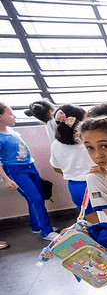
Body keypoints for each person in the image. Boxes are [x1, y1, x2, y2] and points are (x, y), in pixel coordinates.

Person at [0, 102, 57, 240]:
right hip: (15, 170)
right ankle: (46, 231)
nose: (14, 117)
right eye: (10, 114)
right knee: (35, 198)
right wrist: (6, 179)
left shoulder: (11, 131)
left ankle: (37, 225)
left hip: (29, 167)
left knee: (37, 197)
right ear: (0, 116)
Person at [49, 104, 99, 223]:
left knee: (96, 225)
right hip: (95, 184)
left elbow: (56, 168)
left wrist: (72, 172)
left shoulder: (55, 144)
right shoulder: (89, 143)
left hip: (75, 187)